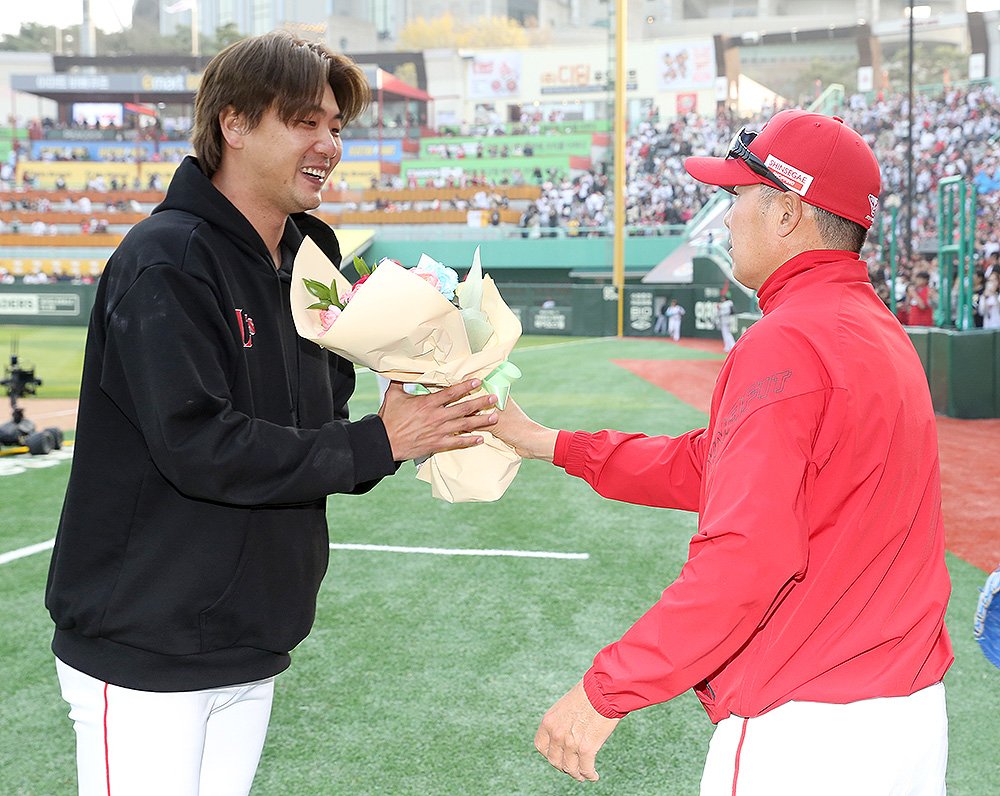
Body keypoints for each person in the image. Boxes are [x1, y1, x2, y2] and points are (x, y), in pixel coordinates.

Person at [45, 31, 499, 796]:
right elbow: (200, 445)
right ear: (234, 123)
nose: (328, 145)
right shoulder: (166, 259)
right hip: (147, 644)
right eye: (304, 122)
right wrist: (376, 443)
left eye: (336, 127)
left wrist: (406, 406)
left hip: (251, 637)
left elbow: (321, 431)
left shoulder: (312, 258)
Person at [492, 110, 953, 794]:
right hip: (908, 720)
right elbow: (710, 464)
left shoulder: (789, 340)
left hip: (810, 732)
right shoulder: (877, 329)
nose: (726, 217)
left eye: (737, 196)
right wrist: (553, 444)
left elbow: (749, 556)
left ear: (789, 212)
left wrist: (606, 690)